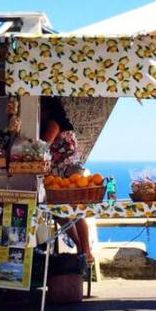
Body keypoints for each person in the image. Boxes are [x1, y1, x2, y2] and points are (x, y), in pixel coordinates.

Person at [40, 96, 92, 262]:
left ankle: (86, 251)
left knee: (74, 212)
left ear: (47, 109)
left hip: (68, 172)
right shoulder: (61, 122)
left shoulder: (54, 123)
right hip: (65, 173)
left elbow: (42, 146)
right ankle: (81, 249)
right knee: (62, 213)